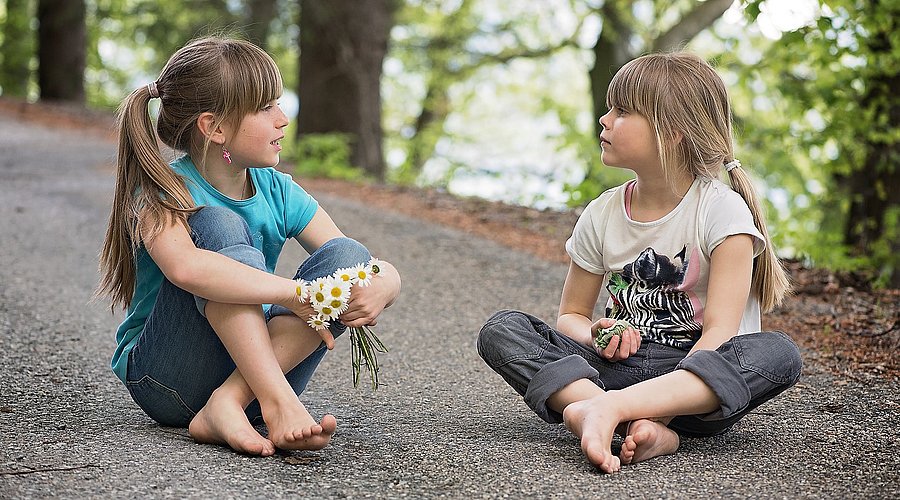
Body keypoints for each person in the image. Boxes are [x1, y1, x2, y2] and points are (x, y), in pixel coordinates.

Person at [477, 52, 801, 473]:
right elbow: (571, 315)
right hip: (610, 370)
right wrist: (597, 334)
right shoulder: (603, 212)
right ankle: (611, 414)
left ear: (674, 132)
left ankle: (598, 412)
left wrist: (658, 411)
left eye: (623, 111)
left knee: (777, 353)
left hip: (691, 388)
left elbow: (718, 336)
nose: (605, 120)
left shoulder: (722, 212)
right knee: (503, 330)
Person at [96, 37, 401, 457]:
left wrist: (387, 282)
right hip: (169, 380)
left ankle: (231, 402)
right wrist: (296, 294)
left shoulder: (278, 190)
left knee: (347, 256)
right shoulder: (162, 191)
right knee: (218, 223)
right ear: (214, 127)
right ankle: (275, 401)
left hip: (255, 376)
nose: (283, 120)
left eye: (279, 103)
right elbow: (186, 269)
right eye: (265, 108)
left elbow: (354, 259)